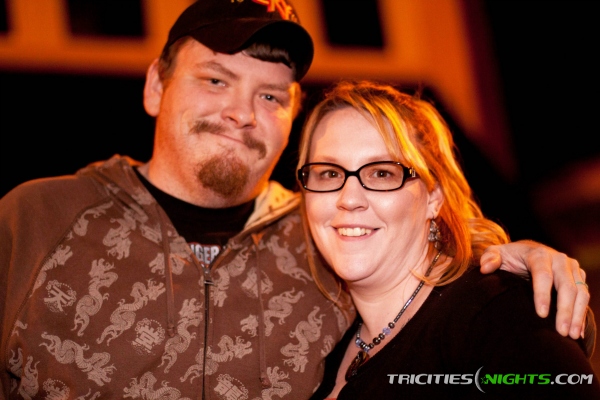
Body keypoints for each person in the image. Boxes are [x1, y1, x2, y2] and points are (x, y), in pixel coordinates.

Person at [0, 1, 592, 399]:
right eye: (215, 80)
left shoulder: (319, 240)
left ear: (292, 117)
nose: (241, 112)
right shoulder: (33, 220)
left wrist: (519, 264)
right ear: (156, 85)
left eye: (270, 96)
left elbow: (451, 300)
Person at [297, 80, 600, 398]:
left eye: (382, 173)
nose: (348, 199)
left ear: (434, 196)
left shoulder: (497, 314)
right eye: (329, 173)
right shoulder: (324, 343)